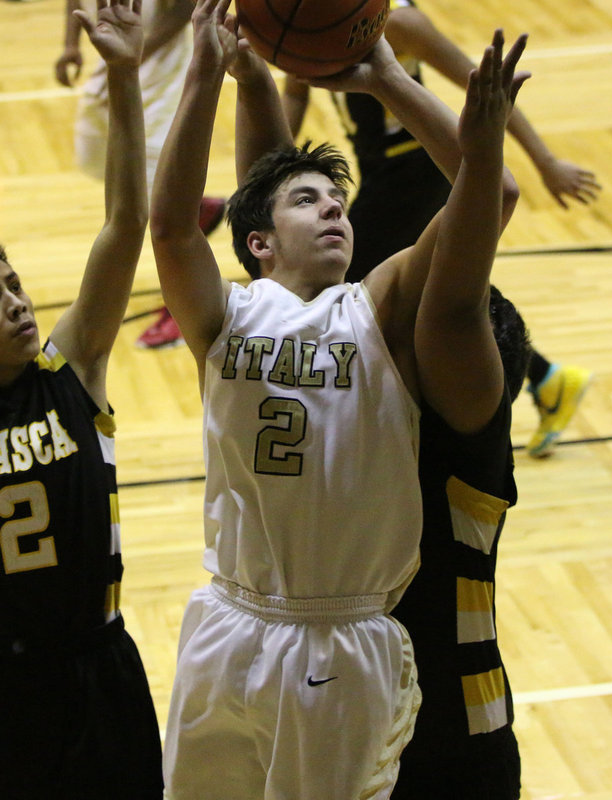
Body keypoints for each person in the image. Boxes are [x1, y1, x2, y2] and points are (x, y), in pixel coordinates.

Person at [149, 0, 528, 794]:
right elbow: (171, 228)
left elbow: (485, 200)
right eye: (308, 199)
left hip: (342, 632)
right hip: (228, 616)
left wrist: (390, 78)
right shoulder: (229, 313)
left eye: (339, 200)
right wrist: (207, 73)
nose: (333, 208)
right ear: (257, 243)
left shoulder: (378, 306)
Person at [281, 0, 594, 457]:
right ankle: (547, 378)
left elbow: (489, 88)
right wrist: (270, 171)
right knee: (423, 290)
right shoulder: (313, 14)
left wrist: (544, 160)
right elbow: (295, 92)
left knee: (355, 288)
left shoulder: (401, 21)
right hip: (378, 172)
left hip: (416, 170)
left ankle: (351, 415)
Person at [0, 1, 162, 797]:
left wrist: (125, 73)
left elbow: (126, 220)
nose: (16, 301)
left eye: (13, 282)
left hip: (99, 669)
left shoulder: (70, 368)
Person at [391, 286, 532, 799]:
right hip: (355, 721)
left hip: (457, 740)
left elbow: (456, 311)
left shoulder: (470, 438)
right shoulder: (374, 426)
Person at [55, 0, 225, 349]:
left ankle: (183, 311)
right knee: (93, 154)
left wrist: (132, 59)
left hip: (157, 61)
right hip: (116, 44)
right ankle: (198, 209)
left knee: (159, 208)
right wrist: (71, 45)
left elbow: (183, 9)